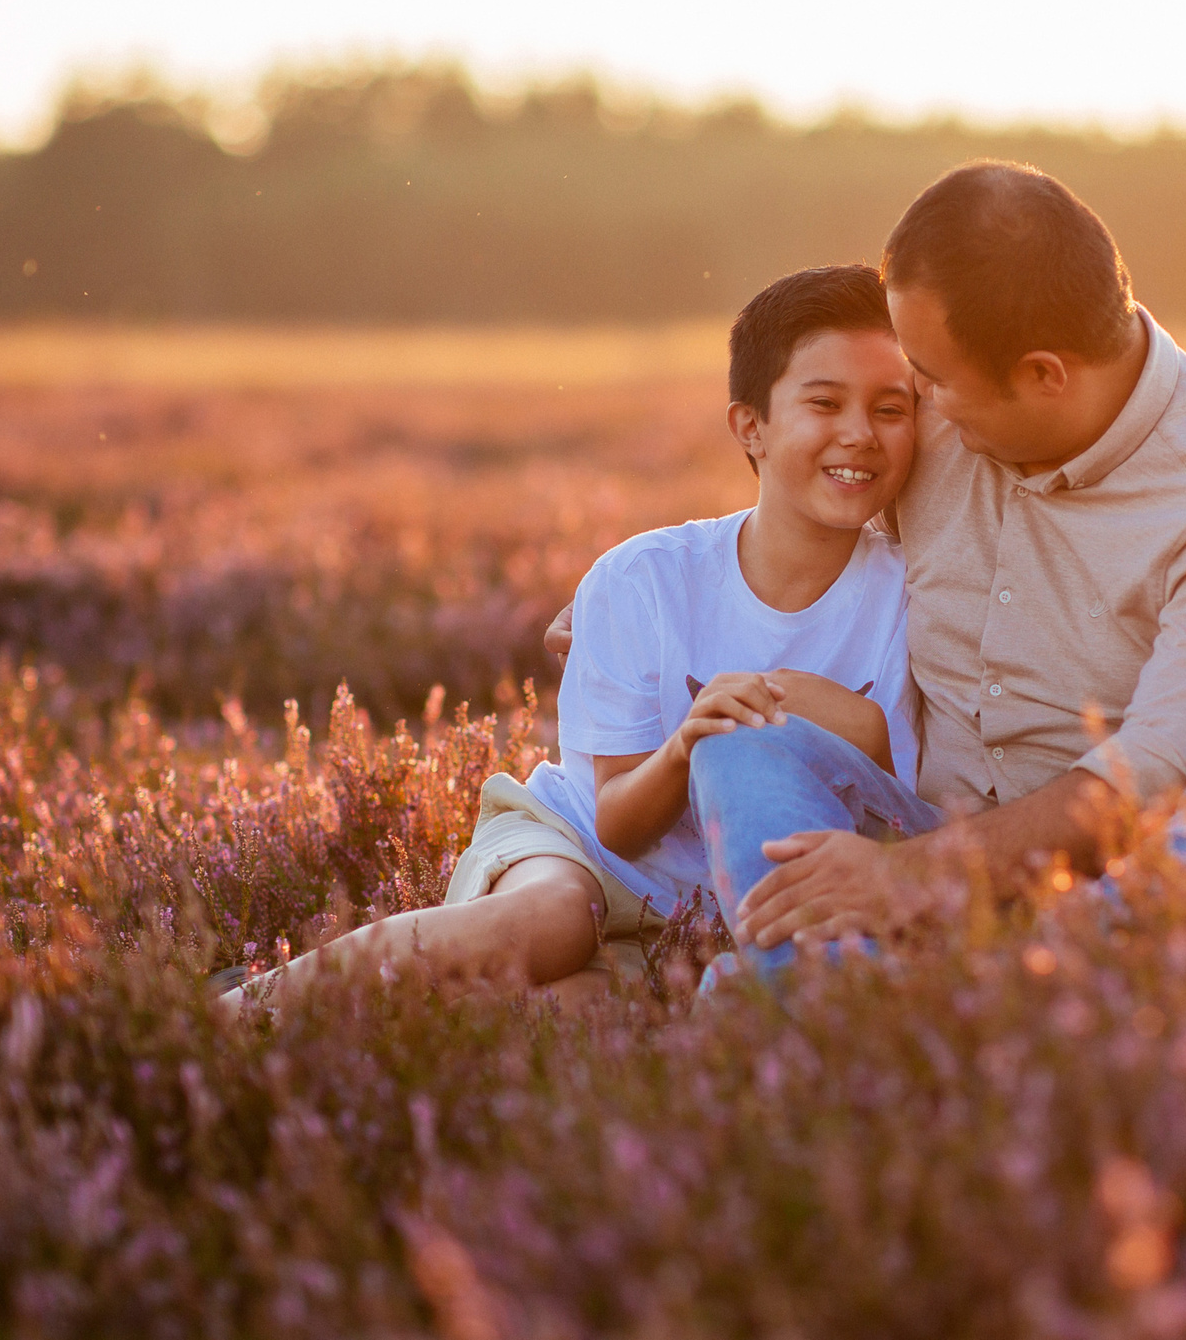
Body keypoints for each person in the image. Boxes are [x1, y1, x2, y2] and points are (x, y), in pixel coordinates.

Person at [556, 160, 1186, 978]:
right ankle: (892, 993)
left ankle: (996, 985)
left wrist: (904, 878)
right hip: (917, 828)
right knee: (743, 747)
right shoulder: (950, 411)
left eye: (931, 382)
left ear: (1044, 376)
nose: (915, 400)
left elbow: (1144, 784)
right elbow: (808, 492)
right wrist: (623, 593)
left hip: (1129, 866)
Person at [221, 265, 924, 1009]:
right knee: (554, 922)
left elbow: (901, 815)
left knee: (584, 1017)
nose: (859, 433)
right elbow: (617, 821)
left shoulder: (912, 598)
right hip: (578, 849)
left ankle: (295, 1043)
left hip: (710, 914)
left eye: (891, 408)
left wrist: (833, 713)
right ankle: (242, 1013)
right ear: (750, 425)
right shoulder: (643, 578)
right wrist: (688, 745)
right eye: (825, 402)